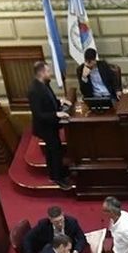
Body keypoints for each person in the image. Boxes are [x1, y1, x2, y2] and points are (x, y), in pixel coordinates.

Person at [27, 61, 72, 190]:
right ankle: (57, 178)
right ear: (41, 73)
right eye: (48, 71)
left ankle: (57, 173)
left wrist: (60, 101)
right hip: (45, 127)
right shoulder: (34, 90)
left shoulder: (45, 84)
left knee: (55, 150)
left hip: (51, 125)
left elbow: (50, 100)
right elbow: (39, 114)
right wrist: (57, 114)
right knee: (54, 151)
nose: (50, 73)